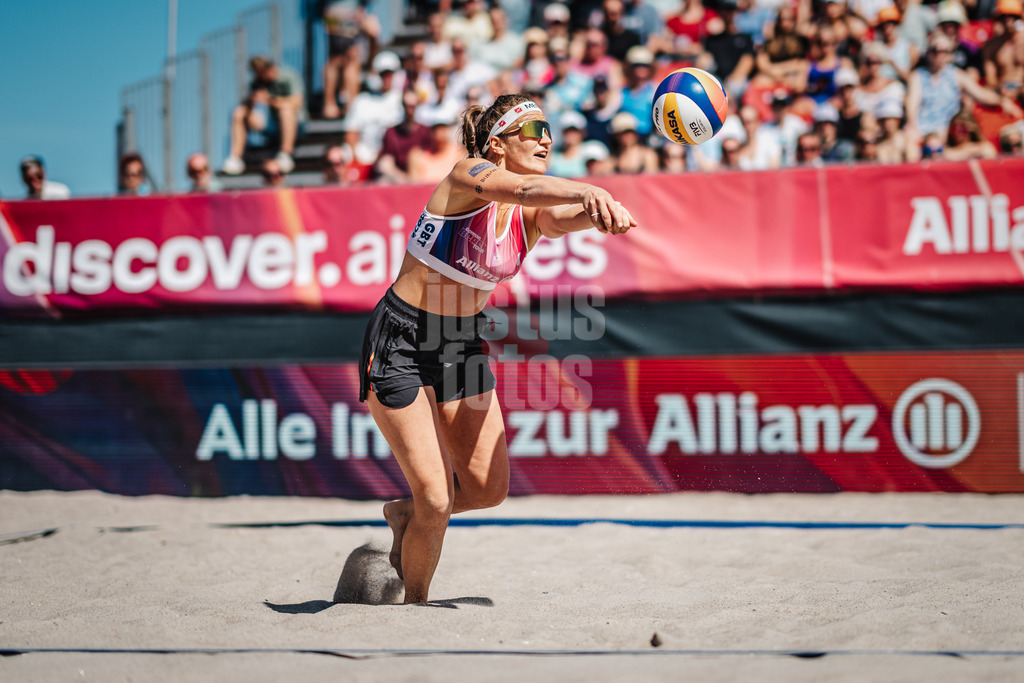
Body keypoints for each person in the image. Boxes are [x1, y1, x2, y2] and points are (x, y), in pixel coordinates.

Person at [362, 94, 636, 604]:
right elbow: (531, 188)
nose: (547, 140)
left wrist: (603, 213)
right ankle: (413, 606)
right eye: (535, 129)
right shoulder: (467, 176)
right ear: (497, 142)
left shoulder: (527, 218)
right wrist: (591, 187)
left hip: (457, 342)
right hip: (400, 336)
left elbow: (557, 215)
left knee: (489, 489)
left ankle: (403, 514)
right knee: (437, 499)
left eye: (549, 131)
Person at [222, 57, 306, 175]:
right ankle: (235, 158)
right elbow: (247, 108)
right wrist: (252, 100)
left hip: (296, 126)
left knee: (285, 109)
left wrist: (270, 100)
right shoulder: (258, 83)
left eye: (263, 72)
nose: (262, 76)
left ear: (271, 68)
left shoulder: (289, 76)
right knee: (239, 112)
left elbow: (297, 102)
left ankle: (285, 154)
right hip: (271, 126)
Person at [321, 0, 380, 118]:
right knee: (350, 58)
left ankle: (332, 104)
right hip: (346, 13)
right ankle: (349, 105)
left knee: (337, 58)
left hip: (332, 13)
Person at [376, 90, 435, 183]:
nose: (409, 110)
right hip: (397, 178)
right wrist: (403, 178)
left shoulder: (425, 131)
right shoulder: (391, 133)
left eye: (412, 106)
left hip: (420, 176)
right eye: (406, 105)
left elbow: (430, 160)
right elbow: (386, 162)